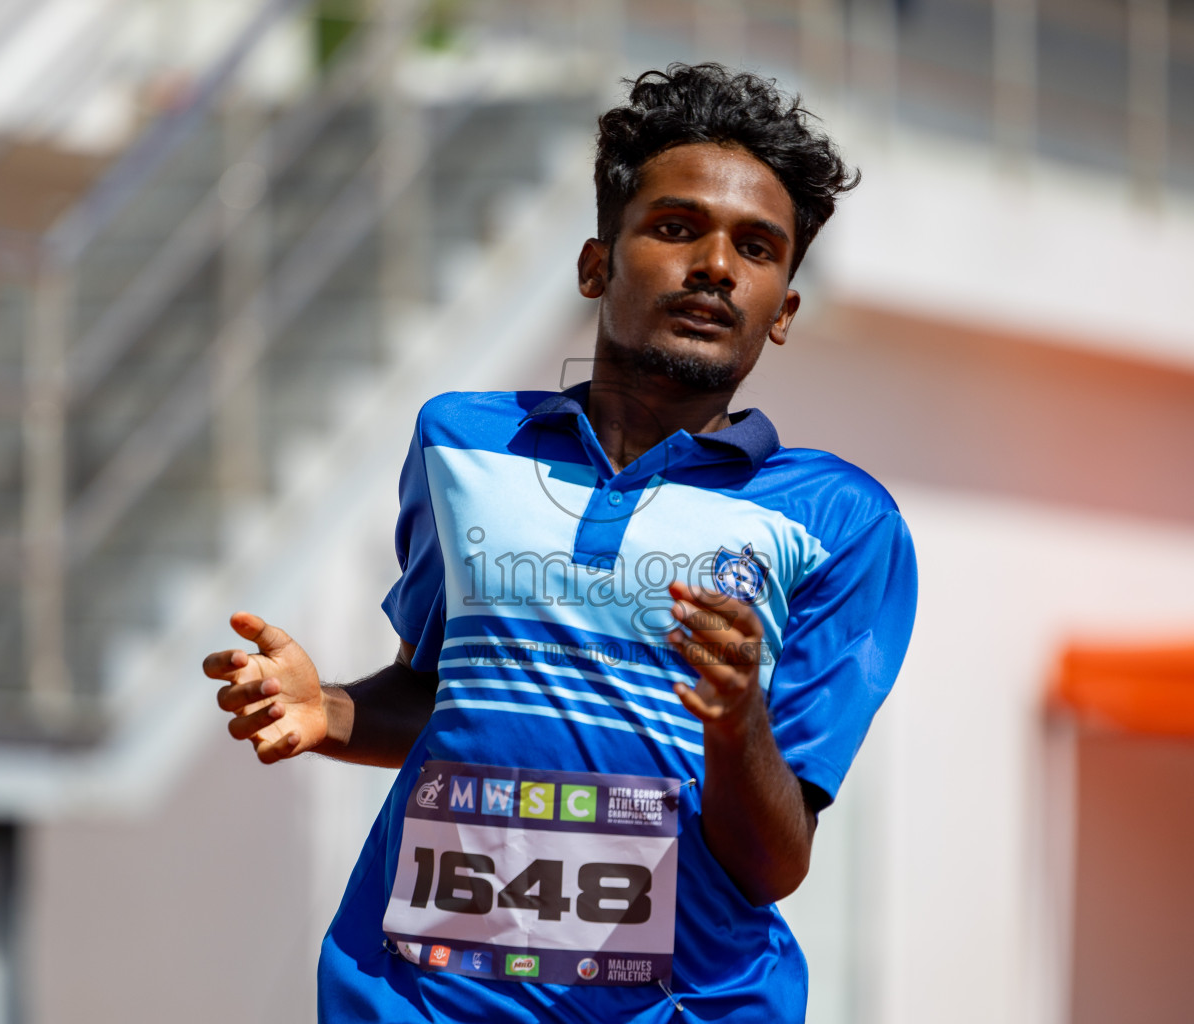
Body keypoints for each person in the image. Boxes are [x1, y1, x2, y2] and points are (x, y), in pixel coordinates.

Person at [203, 63, 918, 1022]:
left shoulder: (840, 520)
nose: (715, 265)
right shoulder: (461, 443)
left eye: (757, 249)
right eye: (675, 228)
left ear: (782, 310)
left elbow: (775, 862)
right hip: (418, 995)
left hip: (683, 1004)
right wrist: (328, 709)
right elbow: (452, 693)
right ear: (596, 264)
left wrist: (736, 715)